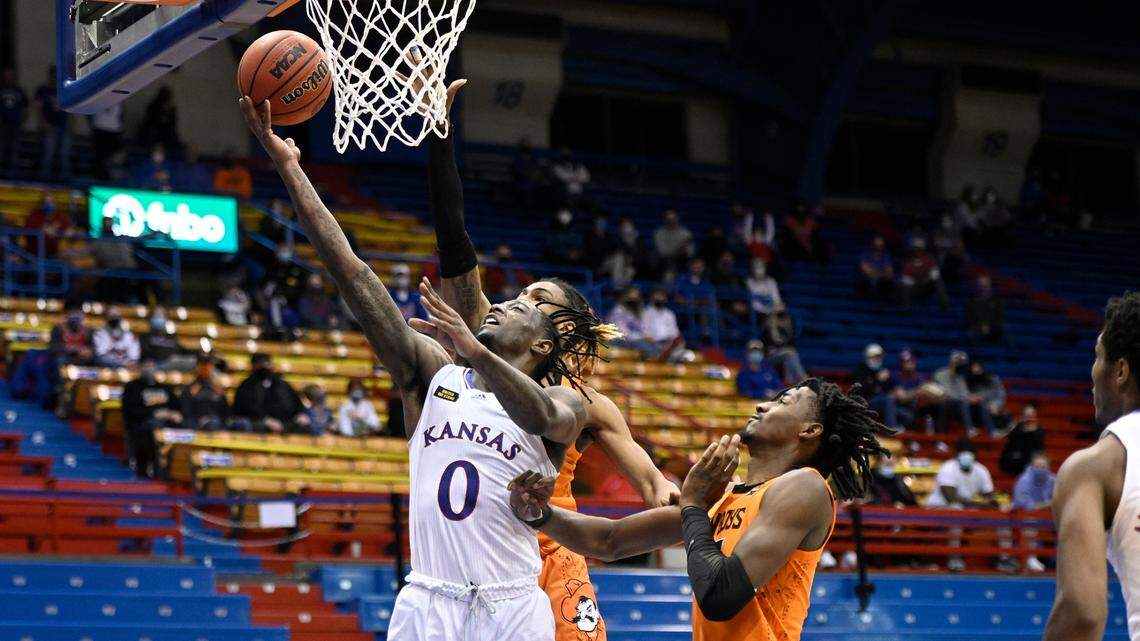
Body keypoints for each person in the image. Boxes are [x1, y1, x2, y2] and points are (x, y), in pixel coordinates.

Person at [243, 94, 631, 641]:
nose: (501, 303)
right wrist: (289, 169)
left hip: (514, 603)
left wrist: (473, 349)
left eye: (522, 304)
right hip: (430, 598)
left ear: (544, 345)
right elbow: (352, 275)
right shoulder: (434, 373)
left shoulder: (565, 400)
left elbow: (547, 414)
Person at [415, 82, 680, 641]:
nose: (520, 303)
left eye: (540, 301)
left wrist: (674, 498)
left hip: (551, 558)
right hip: (477, 555)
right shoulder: (484, 341)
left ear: (558, 333)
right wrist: (439, 132)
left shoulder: (588, 402)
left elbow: (652, 483)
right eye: (524, 295)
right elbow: (454, 241)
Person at [509, 379, 888, 641]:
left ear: (809, 430)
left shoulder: (804, 487)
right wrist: (541, 513)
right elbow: (610, 540)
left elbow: (721, 595)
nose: (762, 404)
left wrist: (692, 505)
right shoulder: (722, 499)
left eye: (782, 402)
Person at [1044, 292, 1140, 641]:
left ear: (1121, 370)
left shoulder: (1097, 466)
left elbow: (1081, 615)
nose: (1092, 373)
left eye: (1097, 357)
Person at [924, 438, 999, 572]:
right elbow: (951, 498)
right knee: (956, 510)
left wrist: (992, 502)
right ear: (957, 454)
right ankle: (954, 556)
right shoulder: (948, 468)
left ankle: (1004, 558)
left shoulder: (981, 470)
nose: (967, 455)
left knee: (1002, 513)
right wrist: (981, 504)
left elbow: (990, 496)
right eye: (964, 452)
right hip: (937, 509)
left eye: (970, 452)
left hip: (967, 510)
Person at [121, 358, 181, 478]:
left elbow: (177, 407)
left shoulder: (165, 388)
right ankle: (155, 468)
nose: (149, 369)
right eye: (146, 365)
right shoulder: (132, 387)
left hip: (167, 423)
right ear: (140, 368)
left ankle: (177, 468)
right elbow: (130, 411)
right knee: (153, 427)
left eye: (152, 365)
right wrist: (154, 414)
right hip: (143, 424)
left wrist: (176, 414)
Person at [232, 353, 309, 434]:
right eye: (261, 364)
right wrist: (265, 419)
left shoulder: (281, 384)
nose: (265, 366)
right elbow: (242, 409)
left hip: (285, 422)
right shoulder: (246, 386)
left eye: (267, 363)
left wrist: (301, 414)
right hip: (259, 422)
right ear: (254, 366)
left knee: (304, 425)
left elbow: (296, 402)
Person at [1010, 451, 1055, 572]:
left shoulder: (1052, 479)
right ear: (1032, 466)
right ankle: (1030, 557)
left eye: (1043, 466)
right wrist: (1047, 504)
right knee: (1030, 519)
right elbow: (1026, 505)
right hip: (1021, 517)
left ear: (1048, 467)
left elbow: (1059, 499)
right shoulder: (1024, 480)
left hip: (1047, 517)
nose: (1040, 469)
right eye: (1037, 466)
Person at [852, 344, 909, 430]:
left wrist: (896, 392)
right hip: (866, 403)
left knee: (906, 415)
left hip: (884, 405)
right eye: (876, 357)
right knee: (888, 399)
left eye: (880, 357)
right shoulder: (861, 370)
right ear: (868, 357)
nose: (879, 359)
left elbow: (889, 390)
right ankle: (891, 429)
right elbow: (861, 391)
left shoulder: (883, 370)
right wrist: (877, 380)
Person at [933, 350, 987, 434]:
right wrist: (966, 398)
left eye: (963, 363)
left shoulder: (960, 378)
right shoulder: (939, 374)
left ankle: (991, 431)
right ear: (953, 362)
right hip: (944, 404)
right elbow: (944, 393)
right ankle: (969, 429)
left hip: (959, 404)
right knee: (963, 401)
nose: (962, 365)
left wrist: (973, 397)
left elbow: (964, 392)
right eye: (960, 363)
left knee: (979, 401)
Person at [36, 66, 71, 179]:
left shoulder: (64, 89)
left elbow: (70, 109)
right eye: (53, 75)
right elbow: (39, 108)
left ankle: (65, 179)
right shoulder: (43, 90)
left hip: (63, 125)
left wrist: (71, 124)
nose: (55, 77)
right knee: (48, 153)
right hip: (50, 125)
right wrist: (43, 122)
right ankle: (44, 178)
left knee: (64, 154)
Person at [180, 354, 230, 431]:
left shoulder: (217, 389)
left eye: (208, 365)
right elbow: (186, 412)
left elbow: (226, 412)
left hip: (217, 422)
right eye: (202, 365)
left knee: (242, 423)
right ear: (197, 367)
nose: (205, 368)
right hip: (198, 423)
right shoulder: (190, 389)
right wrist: (190, 396)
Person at [761, 303, 808, 383]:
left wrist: (786, 327)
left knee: (789, 357)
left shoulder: (785, 329)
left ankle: (789, 381)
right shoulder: (767, 327)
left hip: (782, 354)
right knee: (791, 353)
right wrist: (773, 325)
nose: (779, 318)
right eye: (777, 314)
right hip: (768, 357)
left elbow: (788, 343)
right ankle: (804, 379)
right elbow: (767, 345)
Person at [899, 237, 948, 309]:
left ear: (923, 249)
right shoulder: (908, 262)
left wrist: (926, 278)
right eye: (916, 248)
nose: (918, 251)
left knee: (938, 280)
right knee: (904, 285)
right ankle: (906, 308)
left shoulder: (929, 259)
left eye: (919, 248)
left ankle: (945, 305)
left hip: (927, 287)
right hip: (914, 288)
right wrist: (916, 280)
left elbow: (935, 274)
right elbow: (906, 279)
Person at [642, 289, 686, 363]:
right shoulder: (646, 313)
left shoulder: (669, 314)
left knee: (682, 346)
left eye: (662, 297)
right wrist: (650, 340)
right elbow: (645, 332)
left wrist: (672, 340)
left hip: (669, 342)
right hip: (654, 343)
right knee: (650, 347)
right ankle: (665, 356)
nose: (660, 299)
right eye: (657, 296)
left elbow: (675, 332)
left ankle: (668, 356)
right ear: (652, 298)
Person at [1000, 403, 1045, 476]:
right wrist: (1024, 432)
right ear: (1023, 416)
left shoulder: (1039, 431)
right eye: (1027, 415)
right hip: (1017, 460)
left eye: (1031, 415)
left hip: (1031, 460)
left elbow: (1039, 450)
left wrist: (1032, 433)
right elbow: (1012, 447)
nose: (1029, 418)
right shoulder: (1016, 429)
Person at [24, 192, 72, 258]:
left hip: (54, 255)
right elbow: (28, 230)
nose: (48, 205)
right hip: (34, 255)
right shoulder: (33, 216)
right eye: (46, 202)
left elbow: (69, 228)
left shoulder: (60, 216)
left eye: (51, 202)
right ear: (41, 203)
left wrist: (68, 230)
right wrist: (43, 228)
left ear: (55, 203)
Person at [966, 359, 1007, 435]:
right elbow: (965, 395)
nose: (976, 370)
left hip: (992, 408)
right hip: (975, 411)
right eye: (974, 368)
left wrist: (995, 404)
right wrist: (971, 398)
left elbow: (1001, 394)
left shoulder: (992, 379)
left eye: (978, 367)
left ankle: (996, 429)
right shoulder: (968, 381)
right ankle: (992, 431)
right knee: (980, 402)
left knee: (1001, 412)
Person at [139, 86, 181, 156]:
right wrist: (162, 114)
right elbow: (150, 120)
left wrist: (167, 112)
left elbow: (173, 123)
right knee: (151, 133)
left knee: (172, 135)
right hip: (153, 130)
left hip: (166, 131)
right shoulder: (153, 105)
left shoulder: (171, 108)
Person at [0, 67, 26, 176]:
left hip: (15, 124)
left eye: (10, 74)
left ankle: (13, 172)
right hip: (2, 124)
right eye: (7, 74)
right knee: (2, 147)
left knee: (15, 148)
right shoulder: (1, 89)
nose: (9, 77)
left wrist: (22, 119)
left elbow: (25, 106)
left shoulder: (18, 90)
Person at [966, 275, 1007, 344]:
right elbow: (969, 317)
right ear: (977, 286)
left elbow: (1000, 317)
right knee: (970, 333)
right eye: (980, 285)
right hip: (977, 328)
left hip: (993, 328)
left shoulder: (997, 301)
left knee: (1004, 329)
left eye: (985, 285)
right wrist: (980, 326)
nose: (982, 287)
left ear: (989, 286)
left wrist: (989, 326)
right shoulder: (971, 302)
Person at [89, 104, 124, 180]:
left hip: (114, 130)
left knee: (114, 156)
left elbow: (121, 114)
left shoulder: (119, 98)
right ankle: (98, 177)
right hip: (99, 127)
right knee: (99, 156)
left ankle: (112, 179)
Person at [653, 209, 694, 274]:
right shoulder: (659, 233)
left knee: (694, 263)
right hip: (665, 261)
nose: (671, 221)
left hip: (683, 259)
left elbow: (690, 252)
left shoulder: (685, 233)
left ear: (677, 218)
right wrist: (679, 248)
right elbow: (663, 252)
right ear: (665, 220)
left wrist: (684, 250)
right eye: (669, 219)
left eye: (673, 218)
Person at [859, 235, 895, 301]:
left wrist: (877, 273)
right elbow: (866, 270)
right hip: (867, 279)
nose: (878, 247)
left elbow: (890, 272)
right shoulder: (865, 254)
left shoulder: (886, 255)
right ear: (872, 244)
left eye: (880, 245)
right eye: (876, 245)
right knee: (871, 279)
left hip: (882, 281)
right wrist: (880, 272)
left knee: (889, 281)